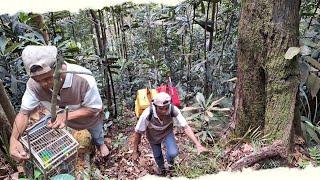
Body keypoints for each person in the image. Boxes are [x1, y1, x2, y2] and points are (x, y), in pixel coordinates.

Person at [9, 45, 109, 161]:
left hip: (88, 119)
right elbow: (24, 113)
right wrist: (13, 139)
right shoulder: (33, 86)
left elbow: (94, 108)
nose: (43, 84)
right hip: (65, 123)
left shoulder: (83, 78)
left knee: (96, 133)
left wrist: (65, 116)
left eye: (47, 78)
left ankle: (100, 144)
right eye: (38, 80)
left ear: (59, 67)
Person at [132, 92, 208, 175]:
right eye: (161, 108)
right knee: (157, 155)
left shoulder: (173, 109)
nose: (164, 111)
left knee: (173, 153)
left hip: (167, 133)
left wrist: (198, 144)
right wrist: (135, 151)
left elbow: (185, 126)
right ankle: (162, 169)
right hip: (153, 136)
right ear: (155, 106)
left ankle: (170, 165)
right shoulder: (147, 114)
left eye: (166, 108)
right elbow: (138, 133)